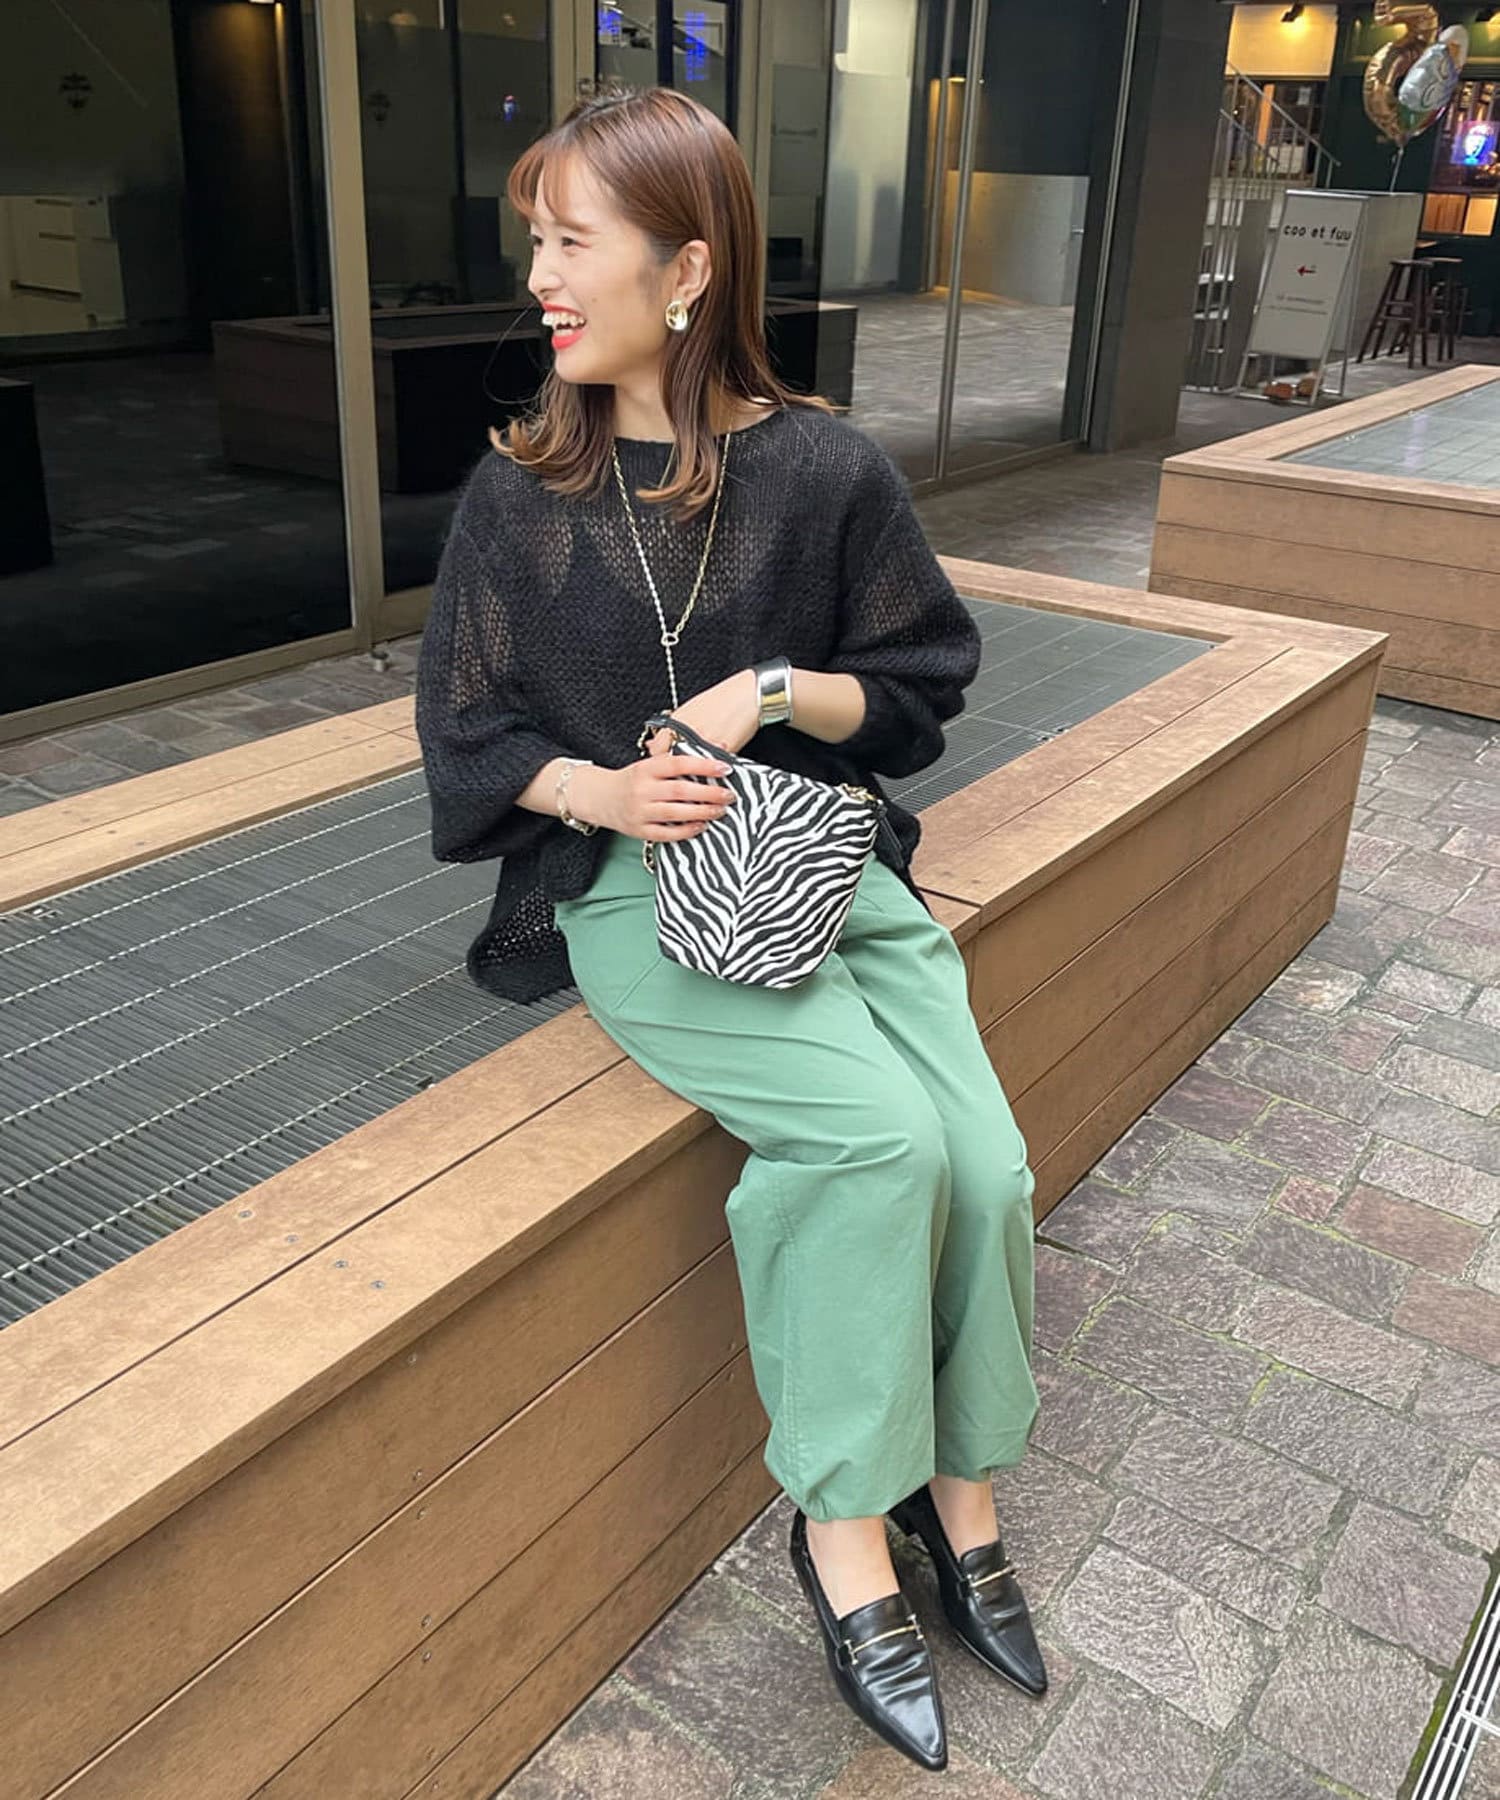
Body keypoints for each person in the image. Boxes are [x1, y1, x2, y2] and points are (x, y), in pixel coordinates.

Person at [415, 85, 1044, 1774]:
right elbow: (464, 735)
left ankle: (960, 1489)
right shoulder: (519, 497)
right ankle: (845, 1526)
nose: (541, 277)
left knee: (986, 1167)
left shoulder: (827, 470)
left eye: (573, 241)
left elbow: (920, 686)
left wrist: (769, 688)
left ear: (687, 268)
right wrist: (603, 795)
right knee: (874, 1143)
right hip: (636, 896)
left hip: (828, 871)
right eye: (536, 240)